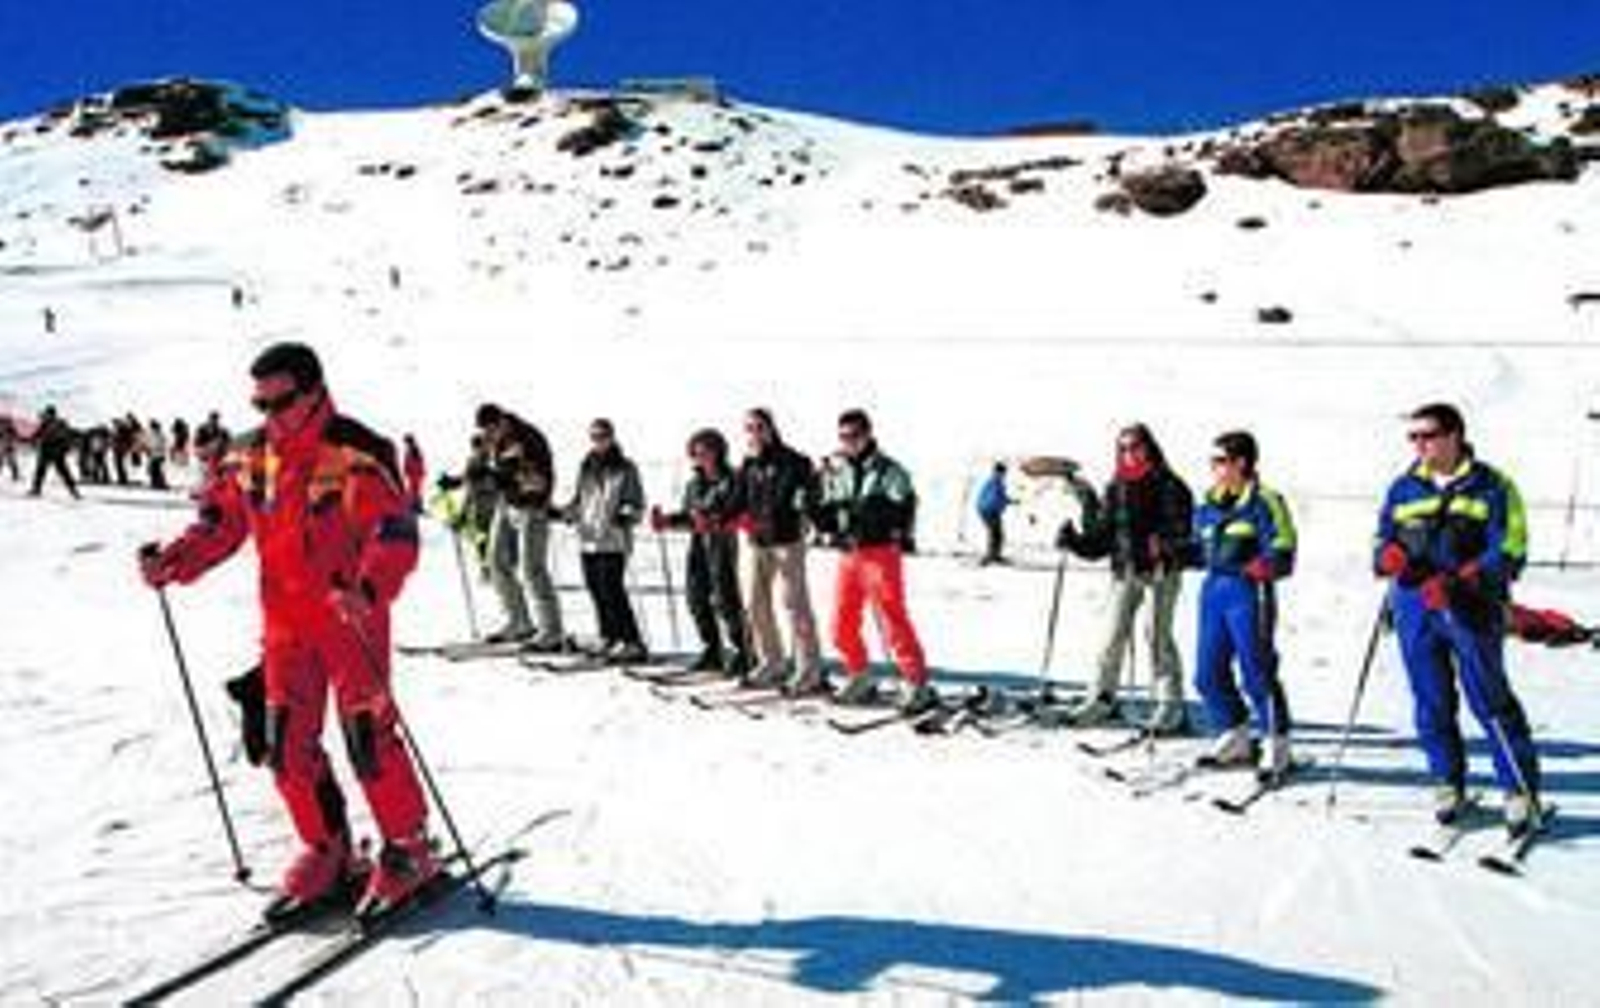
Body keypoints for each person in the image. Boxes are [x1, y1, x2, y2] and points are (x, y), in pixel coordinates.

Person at [137, 342, 437, 921]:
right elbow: (220, 523)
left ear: (315, 391)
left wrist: (369, 586)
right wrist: (173, 561)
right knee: (284, 744)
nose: (270, 415)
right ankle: (327, 848)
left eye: (282, 401)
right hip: (285, 624)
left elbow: (393, 530)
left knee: (368, 737)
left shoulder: (355, 451)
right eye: (261, 404)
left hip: (349, 617)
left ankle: (408, 847)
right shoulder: (250, 456)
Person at [1374, 402, 1542, 835]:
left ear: (1454, 436)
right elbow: (1383, 537)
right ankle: (1448, 781)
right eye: (1413, 437)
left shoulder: (1493, 486)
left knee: (1488, 696)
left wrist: (1464, 580)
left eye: (1427, 436)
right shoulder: (1403, 488)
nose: (1418, 445)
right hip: (1413, 604)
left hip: (1471, 604)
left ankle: (1519, 789)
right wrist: (1386, 556)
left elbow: (1511, 547)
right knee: (1430, 698)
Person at [1057, 423, 1194, 734]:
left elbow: (1183, 530)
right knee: (1112, 635)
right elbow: (1102, 539)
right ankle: (1102, 698)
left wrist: (1164, 544)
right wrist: (1075, 541)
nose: (1129, 453)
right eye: (1123, 448)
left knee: (1157, 636)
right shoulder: (1116, 486)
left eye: (1135, 447)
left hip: (1161, 571)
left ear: (1149, 448)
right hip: (1126, 570)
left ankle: (1170, 705)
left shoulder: (1169, 484)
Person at [1191, 430, 1298, 776]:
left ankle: (1276, 741)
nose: (1215, 468)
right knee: (1207, 673)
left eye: (1221, 461)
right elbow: (1198, 548)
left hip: (1249, 591)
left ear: (1242, 463)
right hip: (1214, 591)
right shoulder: (1208, 504)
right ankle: (1235, 733)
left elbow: (1284, 544)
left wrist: (1270, 563)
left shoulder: (1265, 501)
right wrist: (1168, 551)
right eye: (1213, 461)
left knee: (1257, 669)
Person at [816, 409, 935, 712]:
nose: (849, 442)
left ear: (868, 434)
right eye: (843, 436)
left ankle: (916, 682)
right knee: (841, 623)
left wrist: (877, 513)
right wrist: (818, 511)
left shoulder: (888, 470)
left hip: (879, 553)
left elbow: (905, 505)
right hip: (849, 553)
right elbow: (830, 511)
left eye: (855, 435)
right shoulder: (838, 470)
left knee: (892, 618)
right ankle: (859, 675)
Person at [728, 407, 825, 693]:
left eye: (760, 427)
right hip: (756, 542)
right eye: (750, 428)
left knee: (794, 604)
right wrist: (718, 517)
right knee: (754, 602)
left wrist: (802, 513)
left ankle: (809, 669)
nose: (755, 433)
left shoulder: (793, 461)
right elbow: (736, 501)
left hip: (786, 541)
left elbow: (799, 498)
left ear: (771, 428)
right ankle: (772, 661)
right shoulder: (749, 464)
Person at [650, 428, 750, 675]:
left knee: (726, 599)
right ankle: (712, 649)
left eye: (705, 452)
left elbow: (735, 511)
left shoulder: (732, 479)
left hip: (724, 544)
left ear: (718, 452)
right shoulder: (694, 484)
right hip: (699, 544)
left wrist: (713, 520)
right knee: (696, 597)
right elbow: (689, 516)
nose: (700, 458)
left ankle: (744, 651)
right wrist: (667, 521)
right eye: (695, 453)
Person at [477, 403, 565, 649]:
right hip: (508, 503)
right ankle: (519, 621)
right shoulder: (498, 440)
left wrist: (502, 477)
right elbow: (499, 471)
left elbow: (536, 479)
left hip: (532, 506)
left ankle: (552, 630)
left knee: (532, 569)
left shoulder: (528, 438)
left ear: (501, 421)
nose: (489, 435)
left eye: (491, 429)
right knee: (495, 561)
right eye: (485, 431)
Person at [562, 418, 647, 661]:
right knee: (596, 590)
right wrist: (566, 513)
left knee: (612, 590)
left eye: (602, 436)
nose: (598, 441)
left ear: (612, 437)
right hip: (588, 538)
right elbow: (579, 499)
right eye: (594, 437)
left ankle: (631, 640)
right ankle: (609, 637)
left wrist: (627, 514)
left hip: (613, 538)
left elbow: (636, 501)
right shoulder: (586, 467)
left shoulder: (625, 467)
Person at [27, 405, 80, 499]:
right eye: (46, 414)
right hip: (46, 450)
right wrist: (31, 439)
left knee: (63, 472)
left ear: (51, 414)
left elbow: (67, 436)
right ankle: (36, 489)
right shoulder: (46, 423)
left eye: (47, 414)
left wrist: (65, 448)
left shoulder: (59, 423)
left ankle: (74, 491)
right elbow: (37, 434)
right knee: (41, 471)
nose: (46, 416)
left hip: (55, 451)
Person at [975, 461, 1013, 565]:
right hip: (989, 511)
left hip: (989, 510)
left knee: (997, 534)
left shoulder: (996, 482)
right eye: (1002, 472)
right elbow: (994, 498)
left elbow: (999, 497)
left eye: (1004, 473)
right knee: (995, 533)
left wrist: (1009, 501)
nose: (1004, 475)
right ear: (998, 471)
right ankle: (990, 556)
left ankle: (994, 555)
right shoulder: (995, 482)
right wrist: (1004, 502)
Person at [401, 433, 425, 510]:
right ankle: (416, 505)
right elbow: (409, 462)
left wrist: (406, 470)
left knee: (414, 490)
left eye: (406, 442)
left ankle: (416, 506)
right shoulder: (412, 450)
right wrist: (406, 470)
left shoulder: (414, 450)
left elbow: (418, 462)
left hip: (415, 473)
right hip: (415, 473)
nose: (405, 444)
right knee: (414, 490)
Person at [0, 414, 20, 481]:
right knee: (3, 461)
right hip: (3, 447)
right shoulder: (7, 430)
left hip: (9, 447)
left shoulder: (11, 430)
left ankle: (15, 475)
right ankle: (15, 475)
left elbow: (16, 437)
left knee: (11, 462)